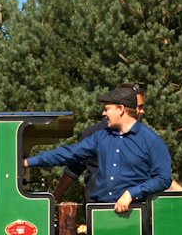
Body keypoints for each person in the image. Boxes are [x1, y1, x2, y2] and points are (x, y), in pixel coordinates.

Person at [24, 85, 172, 213]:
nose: (103, 113)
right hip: (98, 212)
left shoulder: (152, 141)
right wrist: (28, 162)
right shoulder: (100, 137)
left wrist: (131, 193)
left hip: (134, 214)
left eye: (107, 109)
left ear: (121, 109)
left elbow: (163, 179)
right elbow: (70, 153)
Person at [52, 84, 182, 201]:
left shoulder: (144, 138)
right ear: (123, 108)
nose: (142, 111)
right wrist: (54, 198)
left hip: (133, 209)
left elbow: (161, 177)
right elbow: (72, 171)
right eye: (138, 107)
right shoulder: (93, 134)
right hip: (98, 209)